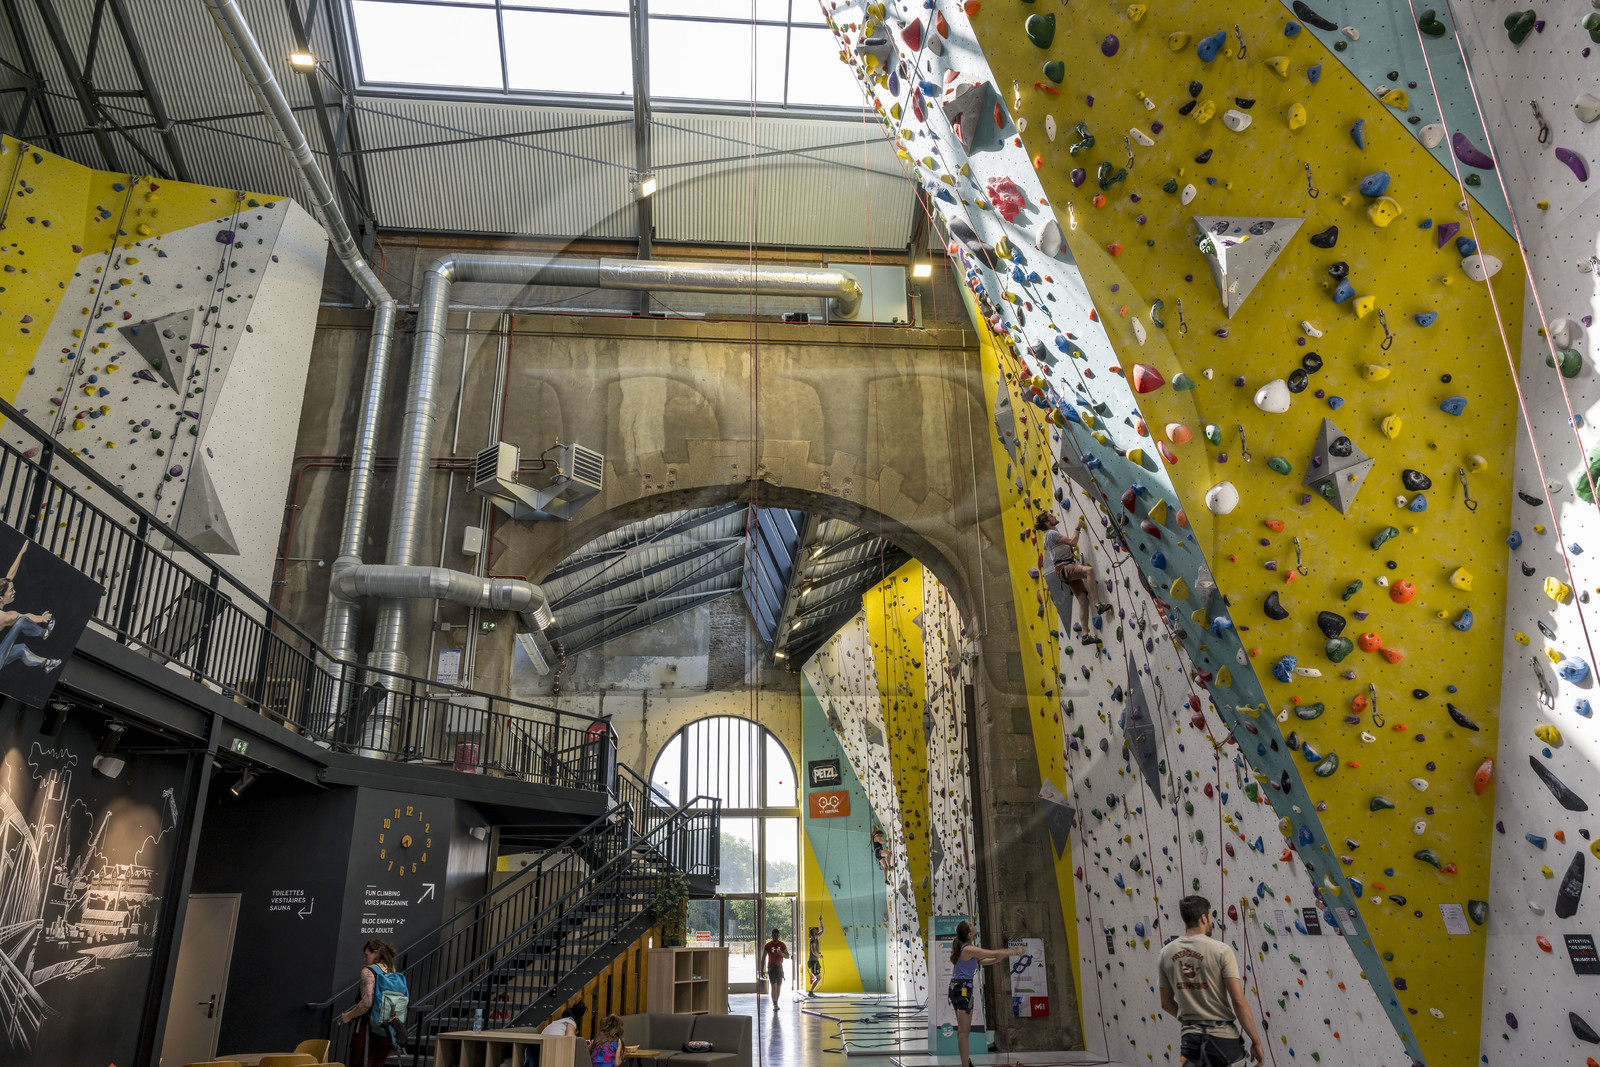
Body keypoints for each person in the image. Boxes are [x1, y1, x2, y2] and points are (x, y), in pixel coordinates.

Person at [1157, 895, 1265, 1066]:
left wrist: (1191, 1019)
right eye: (1210, 917)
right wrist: (1256, 1040)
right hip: (1223, 1041)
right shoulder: (1221, 950)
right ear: (1203, 918)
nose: (1211, 922)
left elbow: (1165, 1003)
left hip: (1190, 1042)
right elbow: (1238, 1001)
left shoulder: (1166, 953)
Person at [947, 920, 1021, 1067]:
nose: (973, 925)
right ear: (969, 934)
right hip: (962, 990)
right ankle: (965, 1065)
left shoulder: (966, 949)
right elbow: (992, 953)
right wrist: (1013, 951)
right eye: (971, 925)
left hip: (956, 989)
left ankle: (966, 1062)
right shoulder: (969, 949)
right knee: (964, 1033)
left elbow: (984, 961)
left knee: (962, 1032)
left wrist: (998, 958)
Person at [1035, 510, 1109, 644]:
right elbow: (1073, 542)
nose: (1054, 516)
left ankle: (1085, 636)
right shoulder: (1051, 533)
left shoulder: (1048, 535)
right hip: (1064, 567)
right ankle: (1098, 604)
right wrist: (1077, 527)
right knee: (1089, 571)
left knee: (1083, 600)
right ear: (1047, 523)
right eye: (1051, 516)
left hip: (1063, 569)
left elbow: (1046, 547)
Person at [0, 543, 60, 673]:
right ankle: (44, 633)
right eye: (11, 591)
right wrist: (41, 619)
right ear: (1, 597)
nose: (14, 592)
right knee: (21, 622)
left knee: (21, 649)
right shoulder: (4, 616)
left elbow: (9, 577)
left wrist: (20, 554)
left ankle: (47, 663)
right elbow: (24, 618)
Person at [339, 939, 399, 1067]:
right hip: (387, 1029)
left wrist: (348, 1016)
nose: (364, 959)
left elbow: (366, 1003)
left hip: (367, 1029)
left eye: (367, 955)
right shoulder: (392, 971)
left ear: (376, 952)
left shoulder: (369, 971)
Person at [762, 928, 791, 1009]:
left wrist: (781, 954)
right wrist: (762, 970)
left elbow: (788, 956)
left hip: (779, 967)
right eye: (774, 935)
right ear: (772, 935)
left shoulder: (782, 945)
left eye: (777, 935)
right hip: (771, 966)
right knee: (773, 986)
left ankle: (776, 1002)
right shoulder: (768, 945)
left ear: (779, 936)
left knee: (778, 987)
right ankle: (775, 1004)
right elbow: (763, 958)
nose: (775, 937)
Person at [806, 914, 824, 995]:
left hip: (815, 961)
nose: (817, 930)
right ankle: (811, 991)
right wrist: (820, 956)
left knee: (819, 977)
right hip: (813, 962)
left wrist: (821, 921)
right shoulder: (813, 940)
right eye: (815, 930)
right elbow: (813, 951)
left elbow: (823, 931)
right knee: (819, 978)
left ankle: (811, 991)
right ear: (813, 933)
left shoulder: (816, 938)